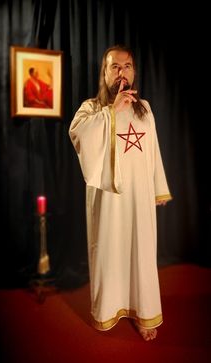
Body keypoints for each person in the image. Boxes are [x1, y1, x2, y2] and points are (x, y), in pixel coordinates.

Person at [69, 45, 172, 341]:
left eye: (127, 66)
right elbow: (78, 134)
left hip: (139, 200)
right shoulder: (91, 108)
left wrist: (159, 188)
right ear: (104, 73)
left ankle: (144, 313)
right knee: (110, 253)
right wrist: (112, 111)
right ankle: (107, 310)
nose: (121, 72)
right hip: (109, 203)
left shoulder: (145, 109)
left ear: (134, 71)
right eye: (114, 66)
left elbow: (153, 152)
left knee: (141, 253)